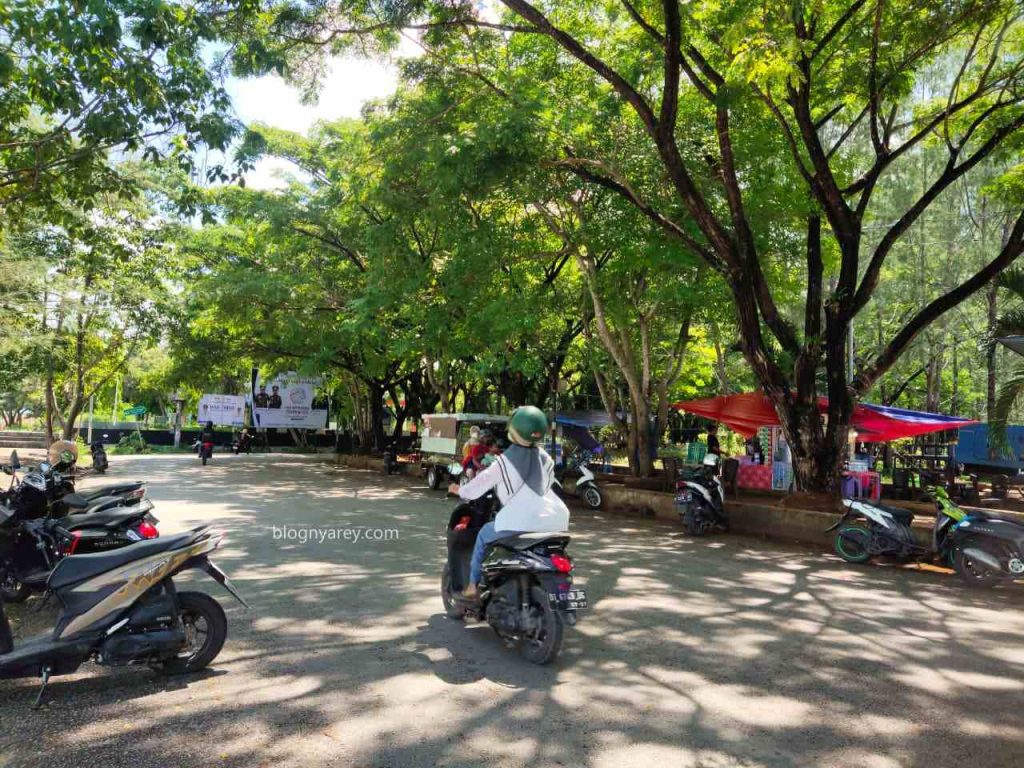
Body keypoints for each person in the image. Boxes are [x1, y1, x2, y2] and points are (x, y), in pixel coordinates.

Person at [448, 406, 569, 600]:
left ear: (513, 430)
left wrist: (458, 489)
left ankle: (472, 586)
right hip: (555, 520)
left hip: (520, 521)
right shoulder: (547, 459)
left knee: (482, 536)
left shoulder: (503, 462)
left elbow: (477, 487)